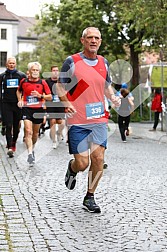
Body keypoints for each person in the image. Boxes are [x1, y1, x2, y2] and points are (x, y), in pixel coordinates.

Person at [58, 27, 120, 213]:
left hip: (98, 118)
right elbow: (60, 86)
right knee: (83, 163)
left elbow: (106, 86)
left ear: (100, 41)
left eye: (97, 38)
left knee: (98, 157)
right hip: (78, 119)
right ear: (83, 40)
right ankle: (72, 167)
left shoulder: (104, 62)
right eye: (90, 37)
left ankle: (90, 196)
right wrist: (66, 102)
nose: (93, 41)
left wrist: (113, 97)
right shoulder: (72, 61)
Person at [16, 62, 52, 166]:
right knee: (28, 131)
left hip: (38, 110)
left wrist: (40, 95)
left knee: (35, 133)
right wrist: (20, 100)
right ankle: (30, 154)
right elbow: (18, 91)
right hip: (27, 109)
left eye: (37, 70)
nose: (35, 72)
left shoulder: (42, 82)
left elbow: (49, 96)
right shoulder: (24, 81)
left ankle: (32, 148)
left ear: (39, 71)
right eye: (33, 70)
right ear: (30, 71)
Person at [0, 56, 26, 157]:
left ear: (15, 64)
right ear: (7, 64)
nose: (11, 65)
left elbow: (25, 89)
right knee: (8, 125)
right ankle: (10, 146)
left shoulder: (21, 75)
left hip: (17, 104)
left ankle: (14, 142)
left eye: (13, 63)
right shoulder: (2, 76)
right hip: (6, 104)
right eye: (10, 63)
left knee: (16, 126)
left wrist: (23, 100)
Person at [45, 65, 65, 149]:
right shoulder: (47, 82)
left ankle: (59, 132)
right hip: (51, 104)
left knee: (62, 123)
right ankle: (54, 141)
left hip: (60, 104)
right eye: (53, 70)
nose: (55, 72)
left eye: (57, 70)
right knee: (52, 121)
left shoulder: (61, 81)